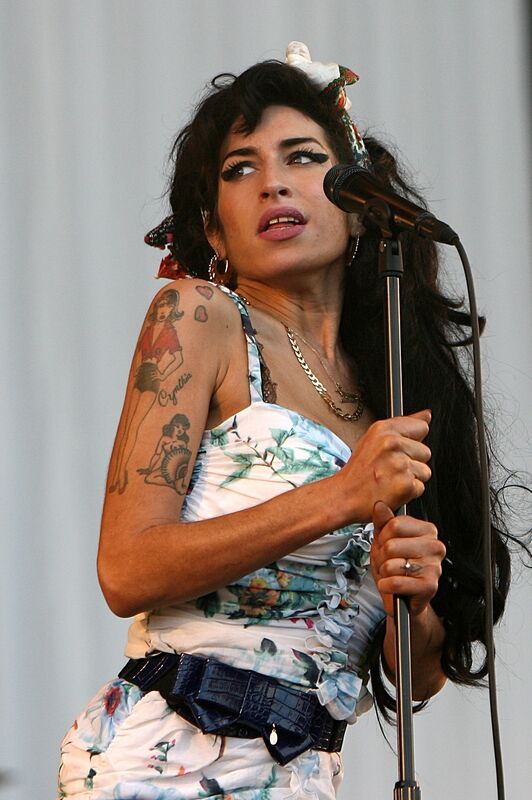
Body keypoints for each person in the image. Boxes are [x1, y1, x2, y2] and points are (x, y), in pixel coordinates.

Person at [58, 42, 515, 799]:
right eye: (241, 168)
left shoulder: (395, 385)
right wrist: (338, 497)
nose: (273, 181)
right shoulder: (200, 318)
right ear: (212, 231)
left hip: (306, 771)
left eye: (303, 157)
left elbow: (421, 677)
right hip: (166, 760)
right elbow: (126, 568)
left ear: (363, 211)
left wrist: (418, 597)